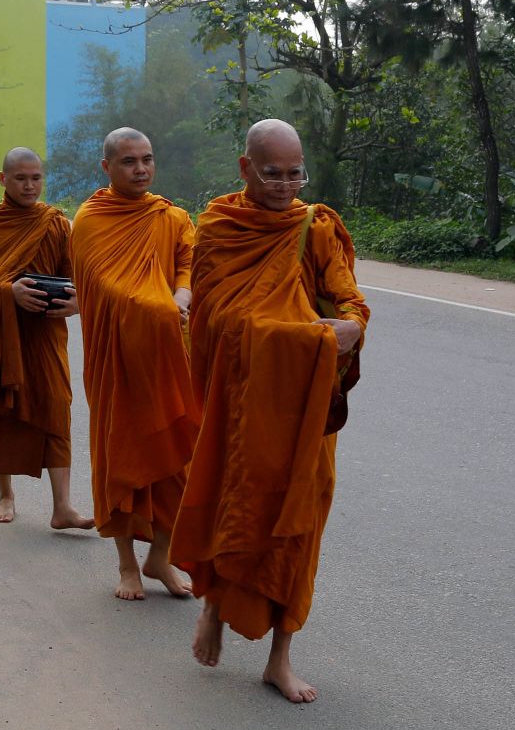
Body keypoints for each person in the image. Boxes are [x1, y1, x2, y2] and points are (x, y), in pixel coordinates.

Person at [170, 119, 368, 704]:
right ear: (245, 168)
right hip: (241, 405)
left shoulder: (317, 227)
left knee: (298, 525)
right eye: (272, 173)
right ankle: (213, 605)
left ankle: (280, 658)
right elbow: (211, 324)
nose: (285, 186)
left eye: (295, 173)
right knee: (234, 504)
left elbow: (349, 296)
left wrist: (354, 326)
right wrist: (271, 335)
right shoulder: (221, 228)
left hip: (304, 405)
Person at [71, 128, 198, 602]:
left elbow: (188, 260)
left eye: (147, 159)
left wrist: (182, 294)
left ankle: (159, 557)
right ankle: (126, 565)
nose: (141, 169)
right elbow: (105, 285)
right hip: (118, 359)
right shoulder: (91, 219)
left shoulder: (172, 215)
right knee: (121, 457)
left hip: (170, 354)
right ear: (107, 167)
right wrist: (162, 307)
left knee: (181, 458)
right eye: (129, 162)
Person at [0, 147, 92, 529]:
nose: (30, 185)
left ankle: (63, 506)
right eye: (21, 178)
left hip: (45, 331)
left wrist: (76, 302)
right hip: (3, 334)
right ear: (4, 180)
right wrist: (7, 292)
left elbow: (73, 274)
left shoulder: (54, 224)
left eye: (36, 178)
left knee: (56, 406)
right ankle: (5, 493)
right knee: (5, 406)